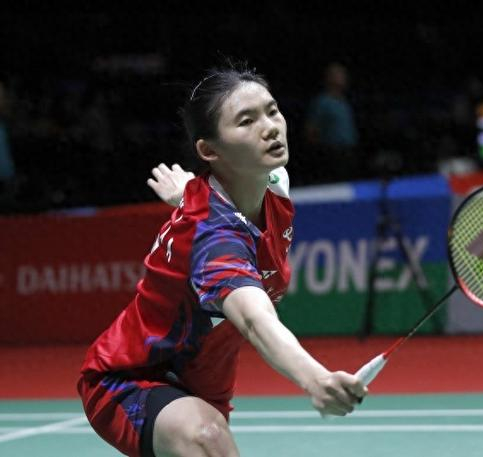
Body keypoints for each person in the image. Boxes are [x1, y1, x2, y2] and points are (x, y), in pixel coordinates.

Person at [78, 64, 367, 457]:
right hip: (131, 378)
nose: (270, 127)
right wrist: (315, 378)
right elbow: (253, 318)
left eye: (272, 111)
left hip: (203, 386)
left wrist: (188, 198)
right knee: (208, 438)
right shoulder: (213, 238)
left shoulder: (275, 183)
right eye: (246, 121)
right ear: (209, 151)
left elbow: (217, 200)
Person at [304, 62, 359, 182]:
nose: (343, 78)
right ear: (329, 78)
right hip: (332, 153)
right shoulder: (322, 102)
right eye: (339, 75)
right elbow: (311, 129)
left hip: (348, 151)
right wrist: (320, 153)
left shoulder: (344, 102)